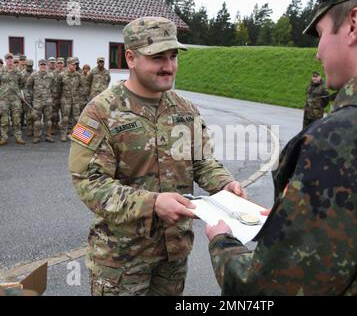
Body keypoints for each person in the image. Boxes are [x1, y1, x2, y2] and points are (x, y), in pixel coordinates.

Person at [205, 0, 357, 296]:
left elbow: (267, 289)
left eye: (320, 35)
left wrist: (223, 242)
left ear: (354, 25)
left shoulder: (342, 140)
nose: (317, 53)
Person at [68, 16, 246, 296]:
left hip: (173, 255)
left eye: (173, 56)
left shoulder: (185, 110)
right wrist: (153, 203)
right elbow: (89, 184)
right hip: (122, 262)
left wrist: (224, 184)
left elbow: (201, 161)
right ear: (130, 58)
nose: (169, 66)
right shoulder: (101, 112)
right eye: (157, 57)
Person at [0, 53, 26, 145]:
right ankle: (4, 138)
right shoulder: (1, 71)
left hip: (15, 99)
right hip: (3, 99)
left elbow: (22, 83)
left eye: (11, 58)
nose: (10, 60)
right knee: (4, 120)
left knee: (17, 119)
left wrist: (17, 92)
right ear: (5, 60)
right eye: (8, 59)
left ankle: (18, 137)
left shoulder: (18, 72)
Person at [27, 59, 55, 143]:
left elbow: (53, 87)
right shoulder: (34, 75)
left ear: (46, 66)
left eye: (44, 65)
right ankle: (37, 137)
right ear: (39, 66)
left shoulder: (51, 76)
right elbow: (29, 86)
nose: (43, 66)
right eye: (41, 65)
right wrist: (33, 96)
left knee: (48, 121)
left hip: (47, 101)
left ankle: (48, 136)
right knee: (37, 121)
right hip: (37, 101)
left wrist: (50, 96)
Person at [59, 57, 82, 141]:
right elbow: (58, 88)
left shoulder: (78, 75)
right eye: (73, 64)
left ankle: (76, 135)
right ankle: (63, 135)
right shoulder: (62, 75)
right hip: (65, 101)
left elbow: (81, 87)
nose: (75, 66)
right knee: (65, 119)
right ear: (68, 65)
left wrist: (79, 98)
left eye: (76, 64)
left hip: (75, 100)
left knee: (76, 119)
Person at [21, 59, 35, 136]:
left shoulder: (36, 73)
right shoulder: (22, 74)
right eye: (28, 66)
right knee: (28, 114)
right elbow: (20, 86)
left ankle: (36, 129)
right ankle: (29, 129)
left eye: (30, 66)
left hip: (35, 96)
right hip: (26, 97)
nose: (29, 67)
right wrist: (22, 95)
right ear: (25, 65)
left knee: (35, 114)